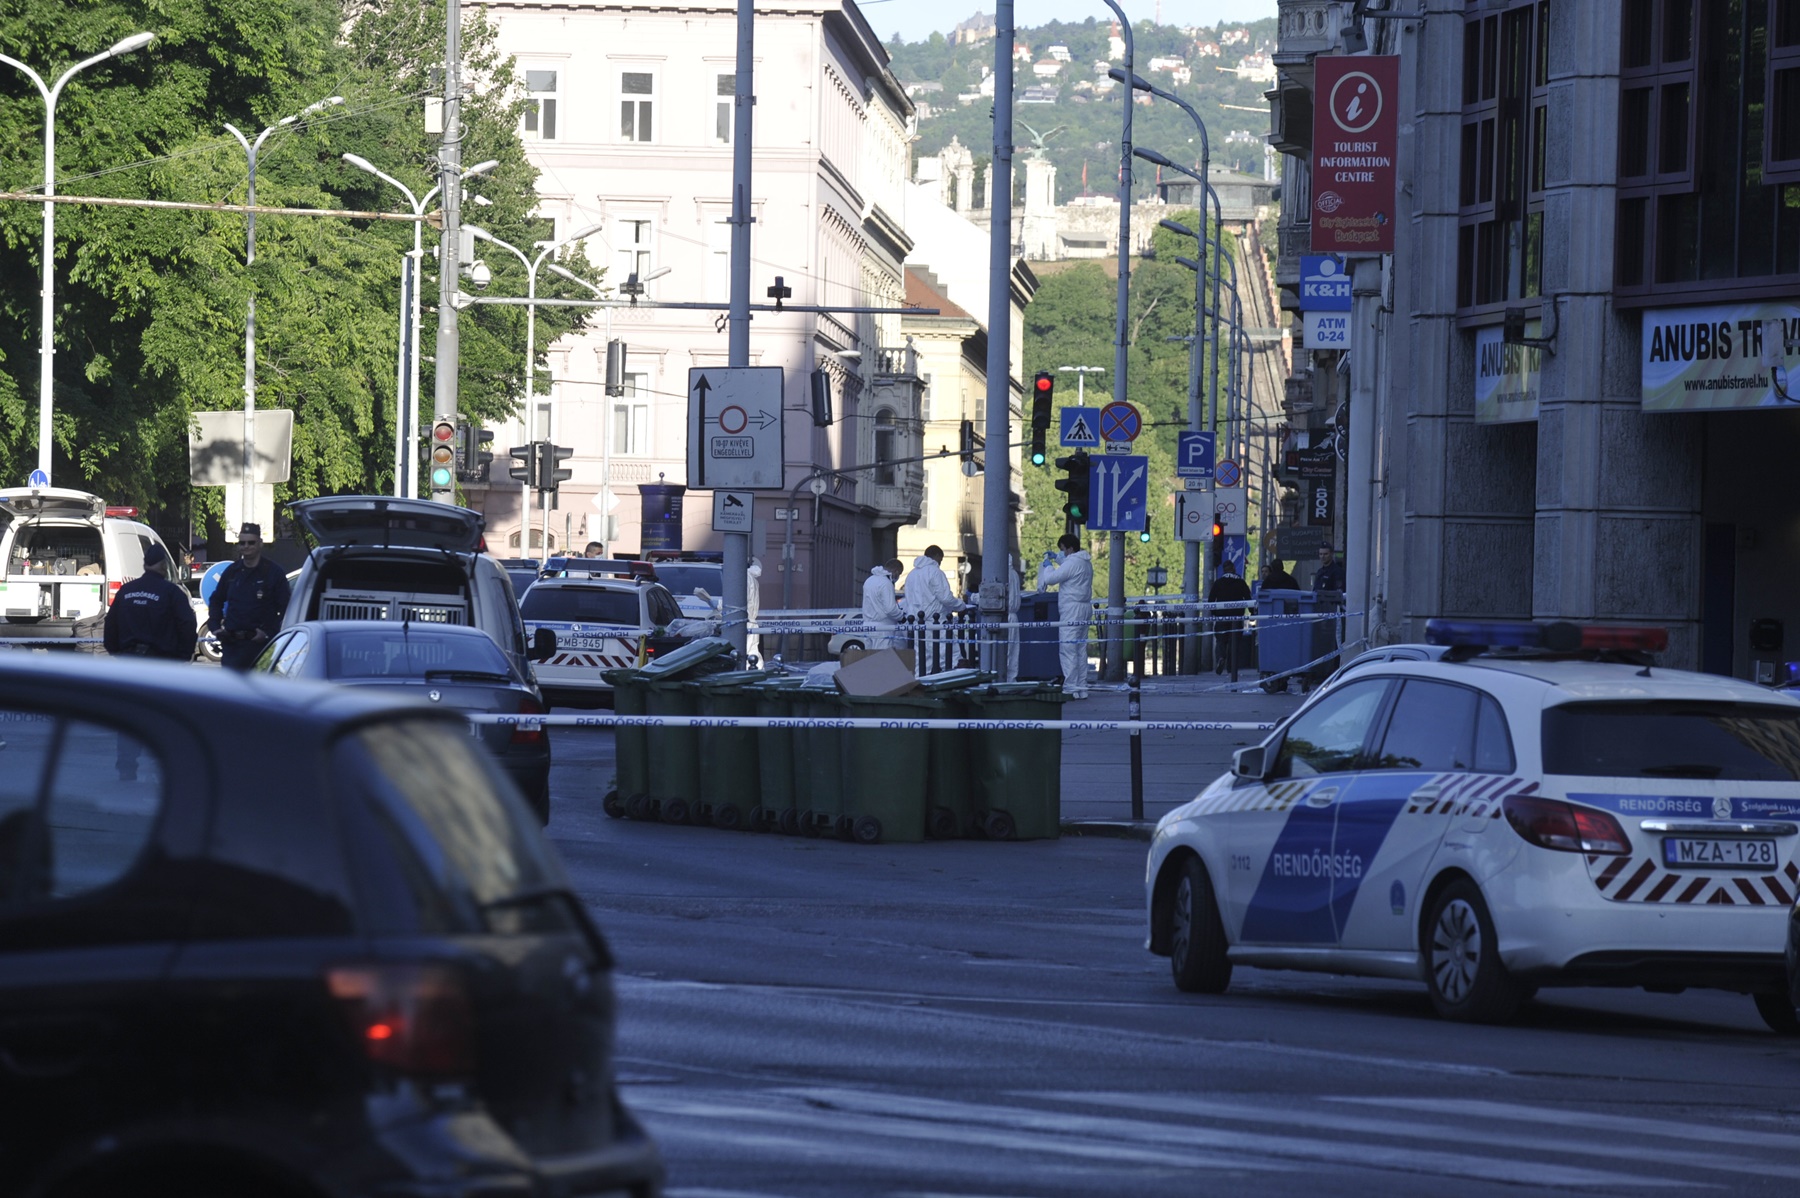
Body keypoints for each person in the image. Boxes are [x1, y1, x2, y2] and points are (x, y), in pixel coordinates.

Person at [104, 542, 196, 780]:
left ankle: (126, 769)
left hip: (129, 664)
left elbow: (110, 624)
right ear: (164, 566)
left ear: (145, 564)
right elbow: (187, 625)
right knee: (162, 718)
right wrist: (183, 656)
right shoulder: (172, 593)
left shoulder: (126, 592)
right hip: (161, 666)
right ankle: (162, 769)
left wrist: (115, 651)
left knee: (129, 719)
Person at [207, 523, 290, 671]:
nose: (246, 546)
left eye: (251, 542)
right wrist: (215, 627)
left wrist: (269, 633)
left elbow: (285, 608)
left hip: (259, 648)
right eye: (242, 543)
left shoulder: (273, 573)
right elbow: (216, 599)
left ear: (260, 544)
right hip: (232, 647)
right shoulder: (232, 572)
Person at [1036, 534, 1093, 699]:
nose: (1061, 553)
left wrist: (1048, 565)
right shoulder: (1085, 562)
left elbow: (1051, 578)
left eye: (1062, 550)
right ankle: (1082, 688)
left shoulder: (1073, 563)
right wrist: (1058, 560)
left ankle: (1070, 688)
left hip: (1071, 609)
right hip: (1084, 608)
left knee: (1068, 649)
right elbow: (1069, 569)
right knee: (1080, 650)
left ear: (1070, 548)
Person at [902, 545, 956, 670]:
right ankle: (951, 684)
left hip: (917, 623)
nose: (940, 563)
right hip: (935, 623)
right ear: (937, 556)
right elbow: (946, 598)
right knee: (949, 656)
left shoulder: (912, 574)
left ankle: (919, 685)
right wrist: (960, 606)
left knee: (922, 660)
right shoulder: (935, 572)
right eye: (941, 560)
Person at [1207, 559, 1254, 683]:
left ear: (1224, 570)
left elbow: (1211, 600)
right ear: (1233, 569)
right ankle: (1231, 668)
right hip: (1236, 617)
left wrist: (1215, 613)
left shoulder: (1218, 582)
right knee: (1234, 642)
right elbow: (1248, 598)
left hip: (1222, 617)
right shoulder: (1241, 582)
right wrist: (1252, 613)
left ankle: (1221, 657)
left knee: (1221, 640)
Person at [861, 559, 903, 649]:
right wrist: (901, 616)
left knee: (868, 658)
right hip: (883, 628)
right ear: (896, 570)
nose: (898, 576)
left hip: (867, 626)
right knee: (882, 659)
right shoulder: (886, 583)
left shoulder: (869, 580)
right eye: (899, 574)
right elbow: (890, 609)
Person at [745, 556, 763, 665]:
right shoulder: (752, 579)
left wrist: (717, 605)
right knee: (753, 651)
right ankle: (758, 672)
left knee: (746, 652)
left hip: (745, 621)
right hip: (751, 621)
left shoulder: (744, 579)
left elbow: (738, 599)